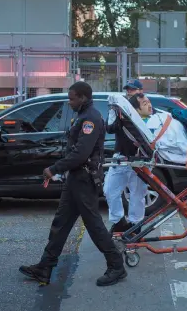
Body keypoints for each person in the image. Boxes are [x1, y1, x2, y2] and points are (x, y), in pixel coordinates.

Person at [19, 82, 126, 286]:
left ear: (83, 98)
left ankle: (116, 266)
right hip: (75, 179)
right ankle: (45, 267)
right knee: (61, 223)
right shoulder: (83, 116)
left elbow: (81, 153)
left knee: (94, 226)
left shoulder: (90, 119)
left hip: (84, 180)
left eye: (72, 98)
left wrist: (54, 169)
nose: (69, 102)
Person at [104, 79, 148, 233]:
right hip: (121, 156)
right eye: (128, 90)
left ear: (141, 91)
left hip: (140, 158)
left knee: (137, 194)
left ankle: (136, 225)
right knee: (109, 190)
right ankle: (119, 221)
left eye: (133, 90)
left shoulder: (145, 108)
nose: (129, 93)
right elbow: (110, 128)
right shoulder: (121, 110)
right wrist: (114, 112)